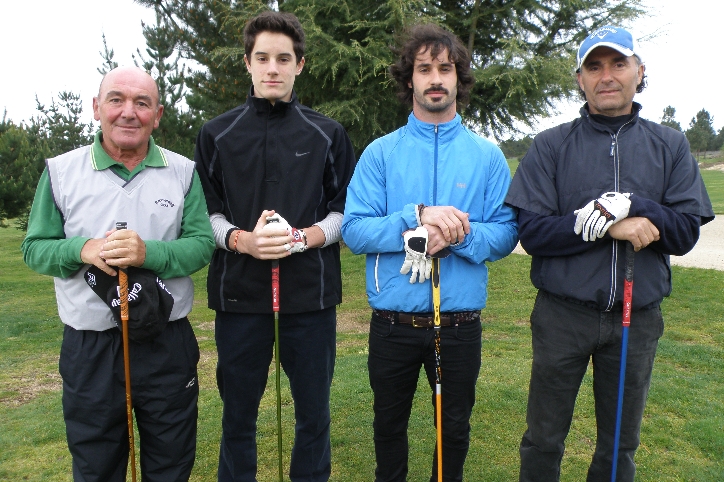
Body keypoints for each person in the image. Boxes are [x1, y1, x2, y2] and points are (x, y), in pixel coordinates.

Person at [504, 25, 715, 482]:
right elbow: (534, 233)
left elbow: (683, 234)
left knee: (619, 445)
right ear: (579, 78)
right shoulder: (550, 145)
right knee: (543, 437)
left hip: (635, 320)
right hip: (562, 316)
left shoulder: (671, 145)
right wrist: (609, 225)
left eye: (618, 63)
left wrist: (638, 204)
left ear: (640, 72)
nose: (607, 76)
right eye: (594, 67)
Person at [342, 23, 518, 482]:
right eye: (424, 69)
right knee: (388, 429)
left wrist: (458, 236)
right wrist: (414, 219)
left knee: (454, 431)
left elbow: (504, 234)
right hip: (393, 325)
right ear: (409, 80)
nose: (435, 78)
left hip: (459, 325)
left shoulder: (487, 156)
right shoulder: (380, 153)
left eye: (445, 68)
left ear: (459, 77)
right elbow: (355, 230)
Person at [21, 66, 215, 481]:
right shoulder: (60, 171)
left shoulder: (183, 172)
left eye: (142, 103)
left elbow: (201, 244)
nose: (129, 112)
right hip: (91, 347)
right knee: (97, 466)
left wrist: (148, 252)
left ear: (157, 115)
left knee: (171, 462)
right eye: (117, 100)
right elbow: (34, 248)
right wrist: (82, 249)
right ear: (97, 107)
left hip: (166, 341)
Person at [193, 10, 356, 482]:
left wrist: (301, 238)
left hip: (311, 297)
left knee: (313, 416)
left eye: (283, 59)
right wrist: (243, 241)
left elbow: (345, 213)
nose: (272, 68)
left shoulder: (327, 133)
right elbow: (207, 214)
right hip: (240, 297)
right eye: (262, 57)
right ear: (247, 62)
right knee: (238, 417)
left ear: (299, 65)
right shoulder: (216, 133)